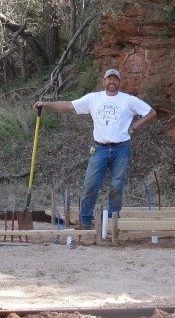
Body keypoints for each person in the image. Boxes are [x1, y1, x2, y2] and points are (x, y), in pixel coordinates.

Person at [34, 68, 157, 229]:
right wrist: (46, 104)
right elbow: (70, 105)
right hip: (99, 149)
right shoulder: (93, 98)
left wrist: (134, 126)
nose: (112, 82)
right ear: (104, 81)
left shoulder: (128, 100)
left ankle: (112, 221)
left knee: (116, 186)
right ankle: (85, 221)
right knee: (90, 185)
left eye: (115, 79)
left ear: (119, 82)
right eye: (109, 79)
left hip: (121, 149)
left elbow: (151, 112)